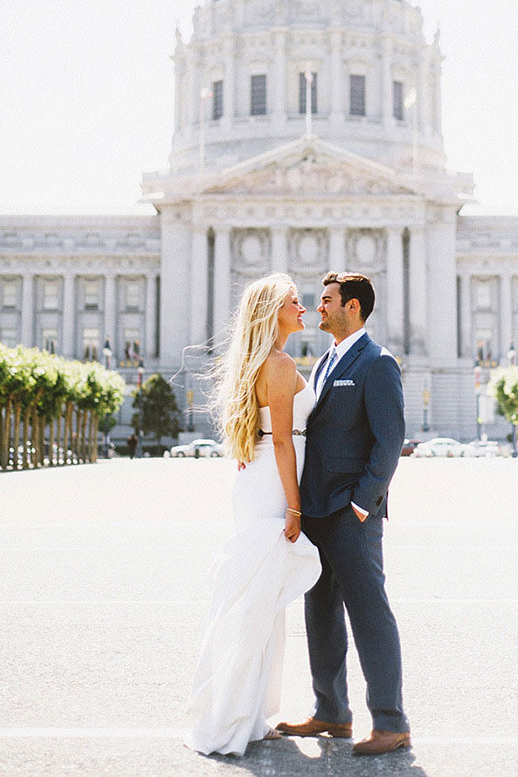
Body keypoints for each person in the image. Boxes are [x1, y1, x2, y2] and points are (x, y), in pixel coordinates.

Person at [184, 273, 321, 756]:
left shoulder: (256, 361)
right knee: (257, 603)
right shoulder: (279, 364)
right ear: (273, 312)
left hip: (257, 480)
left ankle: (251, 709)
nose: (303, 308)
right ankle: (236, 714)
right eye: (295, 302)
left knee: (257, 600)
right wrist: (295, 505)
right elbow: (283, 438)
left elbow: (266, 436)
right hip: (272, 488)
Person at [277, 271, 410, 756]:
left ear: (352, 307)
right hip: (316, 511)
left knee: (369, 615)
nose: (318, 308)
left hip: (350, 514)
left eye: (327, 300)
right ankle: (332, 711)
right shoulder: (326, 361)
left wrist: (362, 504)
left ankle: (392, 721)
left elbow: (390, 440)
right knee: (321, 616)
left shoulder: (377, 363)